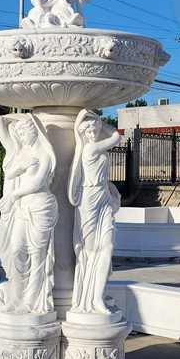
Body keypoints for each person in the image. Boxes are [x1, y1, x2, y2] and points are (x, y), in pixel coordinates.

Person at [0, 113, 58, 315]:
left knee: (37, 255)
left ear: (34, 131)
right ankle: (16, 298)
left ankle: (30, 302)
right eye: (19, 133)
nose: (21, 137)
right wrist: (18, 116)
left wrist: (14, 194)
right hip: (22, 209)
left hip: (41, 207)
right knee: (15, 250)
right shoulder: (21, 153)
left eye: (24, 133)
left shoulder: (45, 155)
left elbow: (38, 183)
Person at [68, 110, 122, 314]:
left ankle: (97, 297)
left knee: (106, 246)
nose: (92, 132)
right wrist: (98, 120)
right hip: (89, 200)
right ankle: (87, 297)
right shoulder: (90, 148)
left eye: (95, 128)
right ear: (82, 132)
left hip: (103, 198)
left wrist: (96, 120)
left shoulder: (96, 147)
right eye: (88, 129)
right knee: (90, 252)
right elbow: (116, 136)